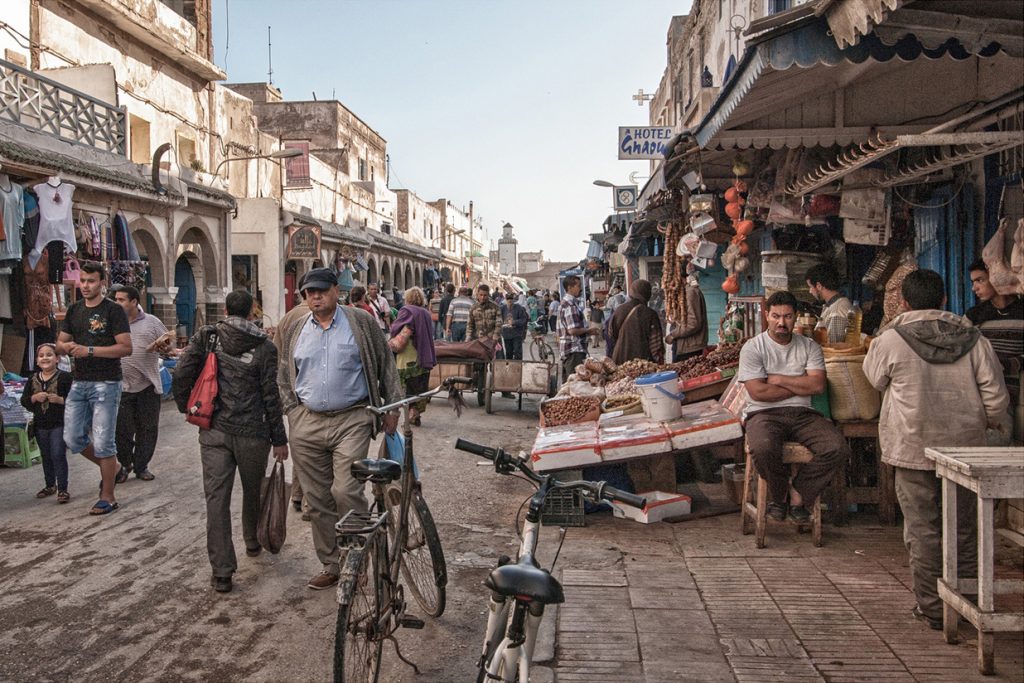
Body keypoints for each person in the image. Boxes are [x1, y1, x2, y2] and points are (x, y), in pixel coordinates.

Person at [863, 269, 1009, 630]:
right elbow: (996, 399)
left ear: (904, 303)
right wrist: (985, 424)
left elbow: (875, 379)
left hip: (913, 449)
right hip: (965, 453)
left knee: (922, 530)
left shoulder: (889, 340)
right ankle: (966, 603)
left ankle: (931, 608)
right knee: (965, 529)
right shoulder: (975, 339)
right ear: (944, 299)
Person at [276, 268, 401, 591]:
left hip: (352, 418)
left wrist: (392, 407)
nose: (315, 297)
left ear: (336, 290)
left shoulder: (360, 322)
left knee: (345, 490)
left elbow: (385, 362)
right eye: (310, 292)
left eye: (321, 290)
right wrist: (292, 410)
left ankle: (356, 557)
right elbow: (284, 372)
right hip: (307, 421)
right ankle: (332, 563)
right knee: (317, 499)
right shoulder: (297, 327)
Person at [172, 290, 289, 593]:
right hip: (254, 433)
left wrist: (189, 407)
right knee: (253, 489)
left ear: (225, 310)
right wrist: (280, 438)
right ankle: (252, 541)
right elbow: (270, 395)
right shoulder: (265, 347)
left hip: (214, 430)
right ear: (252, 312)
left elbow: (181, 373)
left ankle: (222, 571)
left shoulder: (208, 336)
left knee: (216, 499)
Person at [737, 290, 850, 524]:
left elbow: (817, 385)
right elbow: (758, 392)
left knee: (837, 447)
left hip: (803, 414)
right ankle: (779, 497)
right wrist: (800, 385)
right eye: (776, 316)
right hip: (763, 413)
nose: (781, 322)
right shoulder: (753, 347)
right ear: (767, 316)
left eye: (787, 316)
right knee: (763, 447)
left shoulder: (809, 346)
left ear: (795, 316)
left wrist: (778, 379)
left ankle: (798, 492)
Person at [56, 261, 132, 516]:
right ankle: (114, 468)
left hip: (107, 382)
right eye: (83, 281)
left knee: (103, 441)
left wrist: (89, 350)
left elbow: (125, 348)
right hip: (79, 381)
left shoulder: (113, 311)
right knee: (72, 438)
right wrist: (66, 347)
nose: (85, 286)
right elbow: (60, 343)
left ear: (102, 283)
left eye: (91, 281)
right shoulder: (74, 310)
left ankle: (108, 496)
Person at [111, 285, 171, 483]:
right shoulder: (113, 322)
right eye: (116, 299)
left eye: (121, 300)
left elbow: (168, 344)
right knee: (122, 429)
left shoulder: (152, 322)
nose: (117, 303)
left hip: (147, 385)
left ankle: (141, 466)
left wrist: (163, 346)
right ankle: (124, 464)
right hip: (121, 386)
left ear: (134, 302)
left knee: (147, 428)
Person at [966, 258, 1023, 438]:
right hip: (983, 397)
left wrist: (1011, 364)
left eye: (980, 280)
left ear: (996, 278)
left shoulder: (1021, 312)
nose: (974, 288)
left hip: (1015, 395)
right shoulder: (973, 316)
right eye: (973, 282)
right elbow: (963, 353)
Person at [22, 343, 73, 503]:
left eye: (49, 355)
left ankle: (63, 489)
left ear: (57, 359)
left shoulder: (65, 377)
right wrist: (34, 398)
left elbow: (75, 401)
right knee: (46, 455)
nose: (45, 358)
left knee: (58, 454)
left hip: (59, 423)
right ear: (37, 361)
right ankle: (50, 485)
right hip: (40, 425)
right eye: (41, 355)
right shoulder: (32, 379)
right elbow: (24, 401)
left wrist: (60, 400)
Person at [389, 287, 437, 426]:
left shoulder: (407, 311)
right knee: (418, 388)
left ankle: (409, 416)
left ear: (408, 298)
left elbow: (401, 332)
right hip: (423, 355)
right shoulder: (425, 312)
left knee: (407, 389)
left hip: (407, 356)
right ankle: (415, 414)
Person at [608, 279, 665, 365]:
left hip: (620, 360)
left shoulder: (619, 310)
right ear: (648, 294)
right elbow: (656, 345)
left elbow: (611, 334)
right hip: (644, 364)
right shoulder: (651, 314)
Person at [557, 275, 599, 382]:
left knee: (571, 384)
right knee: (575, 384)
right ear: (569, 288)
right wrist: (589, 330)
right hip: (574, 350)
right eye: (578, 286)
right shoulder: (570, 305)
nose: (580, 289)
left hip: (571, 350)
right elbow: (572, 330)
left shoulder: (567, 303)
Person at [666, 271, 708, 362]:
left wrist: (673, 335)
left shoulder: (690, 293)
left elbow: (693, 324)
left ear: (680, 278)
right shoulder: (684, 292)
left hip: (689, 348)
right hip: (684, 346)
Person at [805, 263, 852, 344]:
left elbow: (834, 346)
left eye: (810, 287)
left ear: (819, 286)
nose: (810, 291)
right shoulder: (832, 305)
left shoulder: (837, 310)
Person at [501, 294, 530, 361]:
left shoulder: (519, 308)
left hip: (516, 334)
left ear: (513, 300)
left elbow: (523, 319)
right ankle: (509, 365)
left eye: (511, 300)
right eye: (508, 300)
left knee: (517, 351)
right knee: (508, 352)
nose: (509, 302)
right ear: (506, 300)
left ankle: (518, 365)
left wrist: (514, 322)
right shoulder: (502, 308)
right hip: (506, 334)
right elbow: (498, 318)